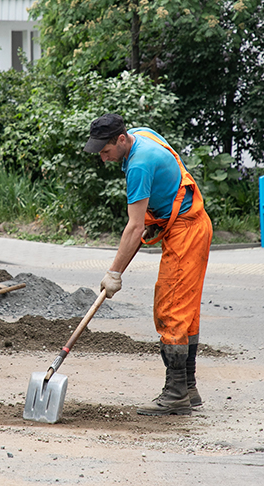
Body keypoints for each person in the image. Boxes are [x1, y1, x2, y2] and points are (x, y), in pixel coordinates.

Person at [84, 113, 212, 415]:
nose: (104, 159)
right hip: (188, 222)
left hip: (187, 231)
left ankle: (176, 392)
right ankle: (188, 389)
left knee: (172, 309)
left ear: (121, 139)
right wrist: (163, 215)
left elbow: (134, 228)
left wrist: (113, 273)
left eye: (105, 151)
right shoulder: (142, 135)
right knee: (186, 312)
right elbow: (171, 177)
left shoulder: (138, 166)